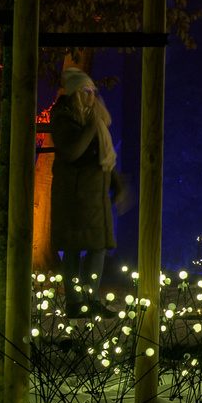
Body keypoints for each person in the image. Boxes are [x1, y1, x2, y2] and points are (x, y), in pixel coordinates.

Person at [50, 67, 125, 317]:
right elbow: (71, 152)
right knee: (73, 248)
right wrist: (91, 127)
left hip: (94, 196)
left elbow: (103, 158)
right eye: (85, 91)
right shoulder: (63, 118)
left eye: (93, 90)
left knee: (98, 247)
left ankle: (90, 298)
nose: (91, 96)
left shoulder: (93, 118)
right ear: (73, 94)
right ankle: (74, 302)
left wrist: (117, 184)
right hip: (74, 195)